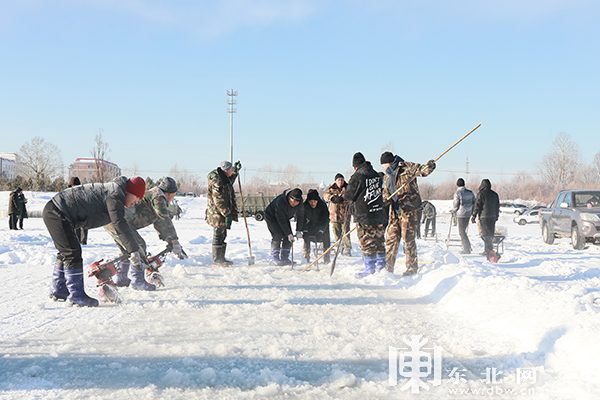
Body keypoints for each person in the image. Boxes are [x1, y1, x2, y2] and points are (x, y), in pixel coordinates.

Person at [42, 176, 147, 306]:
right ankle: (76, 295)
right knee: (72, 252)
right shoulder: (115, 194)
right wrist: (133, 250)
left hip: (56, 211)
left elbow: (121, 222)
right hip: (57, 212)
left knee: (66, 251)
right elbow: (119, 223)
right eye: (136, 197)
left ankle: (59, 290)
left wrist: (135, 248)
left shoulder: (115, 192)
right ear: (128, 192)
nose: (136, 201)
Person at [105, 176, 186, 290]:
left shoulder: (154, 194)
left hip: (113, 220)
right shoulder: (158, 197)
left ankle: (121, 277)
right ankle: (137, 280)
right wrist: (174, 239)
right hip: (118, 221)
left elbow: (158, 221)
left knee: (126, 249)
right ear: (170, 193)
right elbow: (163, 218)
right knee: (138, 245)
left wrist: (169, 238)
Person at [380, 151, 436, 276]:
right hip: (394, 212)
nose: (383, 168)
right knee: (391, 239)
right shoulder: (387, 176)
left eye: (383, 165)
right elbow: (385, 191)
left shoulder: (406, 167)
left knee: (408, 239)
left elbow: (423, 171)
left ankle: (412, 268)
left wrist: (429, 166)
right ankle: (388, 268)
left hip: (409, 211)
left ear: (388, 163)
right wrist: (384, 200)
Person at [344, 152, 386, 278]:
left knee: (367, 242)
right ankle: (381, 266)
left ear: (355, 167)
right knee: (379, 240)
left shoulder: (357, 177)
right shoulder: (376, 175)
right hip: (378, 213)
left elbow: (349, 195)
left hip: (364, 215)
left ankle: (370, 269)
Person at [206, 160, 241, 267]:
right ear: (226, 171)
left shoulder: (223, 177)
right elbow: (218, 200)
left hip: (222, 212)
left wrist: (235, 172)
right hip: (217, 213)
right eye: (231, 169)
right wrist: (227, 213)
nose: (231, 171)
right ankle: (217, 260)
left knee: (223, 234)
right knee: (218, 234)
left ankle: (221, 258)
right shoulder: (217, 181)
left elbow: (229, 181)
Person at [265, 188, 304, 266]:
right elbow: (280, 219)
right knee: (277, 235)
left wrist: (299, 230)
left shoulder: (300, 202)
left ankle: (284, 258)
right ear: (289, 197)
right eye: (293, 202)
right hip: (272, 217)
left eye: (297, 202)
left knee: (289, 237)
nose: (295, 204)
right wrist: (288, 233)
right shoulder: (280, 201)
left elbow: (301, 216)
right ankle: (274, 258)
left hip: (285, 217)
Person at [323, 173, 352, 256]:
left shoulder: (348, 188)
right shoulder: (331, 188)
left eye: (342, 180)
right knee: (336, 233)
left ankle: (347, 249)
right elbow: (325, 195)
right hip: (334, 215)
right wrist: (332, 198)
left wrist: (343, 199)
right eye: (338, 180)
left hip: (345, 214)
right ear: (335, 181)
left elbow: (351, 197)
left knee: (346, 232)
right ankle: (339, 247)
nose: (340, 181)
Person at [471, 179, 500, 259]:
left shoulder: (481, 194)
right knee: (490, 234)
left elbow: (477, 205)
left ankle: (488, 250)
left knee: (485, 234)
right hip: (493, 217)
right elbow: (497, 206)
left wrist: (473, 216)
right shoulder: (495, 194)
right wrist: (497, 216)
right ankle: (489, 250)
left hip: (484, 217)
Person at [302, 189, 331, 264]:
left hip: (322, 225)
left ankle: (327, 258)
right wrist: (304, 230)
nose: (313, 203)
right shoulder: (304, 206)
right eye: (311, 201)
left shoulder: (322, 205)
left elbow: (325, 219)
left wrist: (321, 230)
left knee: (326, 238)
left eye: (315, 201)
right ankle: (306, 257)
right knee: (306, 237)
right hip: (311, 224)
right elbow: (302, 219)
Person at [452, 178, 475, 254]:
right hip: (468, 213)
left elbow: (456, 204)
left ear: (457, 185)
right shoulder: (470, 192)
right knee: (464, 231)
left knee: (461, 232)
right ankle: (467, 246)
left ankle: (467, 248)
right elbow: (474, 202)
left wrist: (453, 210)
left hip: (461, 214)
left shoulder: (457, 193)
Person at [68, 177, 88, 245]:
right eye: (72, 186)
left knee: (84, 227)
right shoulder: (69, 193)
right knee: (76, 227)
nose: (73, 187)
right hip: (74, 211)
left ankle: (83, 242)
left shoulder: (83, 192)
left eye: (75, 185)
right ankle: (77, 241)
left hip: (83, 210)